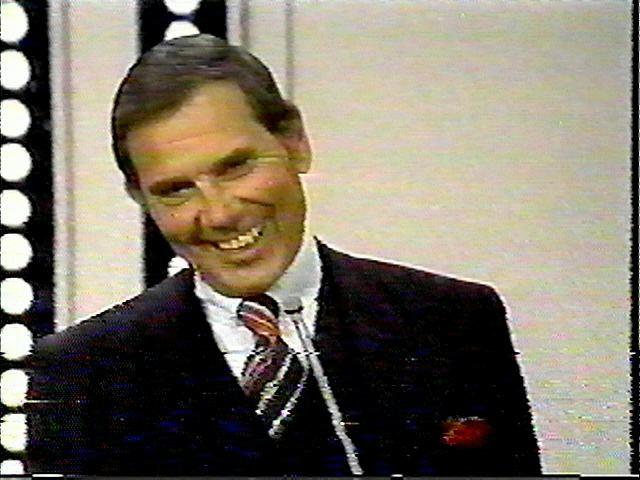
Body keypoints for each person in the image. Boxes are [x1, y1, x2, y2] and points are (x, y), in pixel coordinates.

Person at [26, 34, 541, 476]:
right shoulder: (81, 374)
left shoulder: (454, 322)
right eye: (176, 190)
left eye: (236, 167)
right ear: (140, 198)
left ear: (295, 142)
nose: (220, 214)